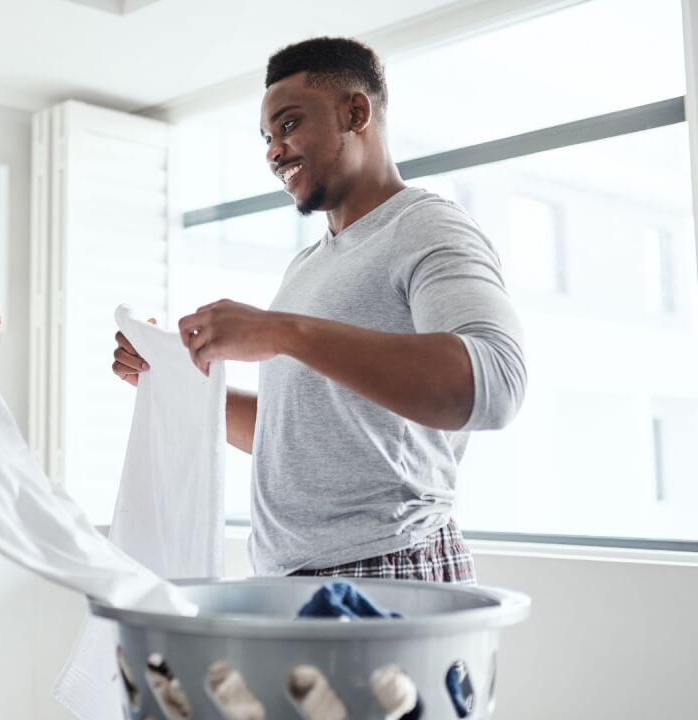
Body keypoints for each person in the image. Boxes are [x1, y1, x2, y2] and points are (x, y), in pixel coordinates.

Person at [112, 37, 526, 583]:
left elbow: (494, 384)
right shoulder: (305, 269)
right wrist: (169, 384)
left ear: (355, 112)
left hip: (389, 567)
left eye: (287, 125)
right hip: (292, 577)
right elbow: (293, 432)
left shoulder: (428, 227)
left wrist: (281, 331)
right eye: (266, 138)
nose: (272, 151)